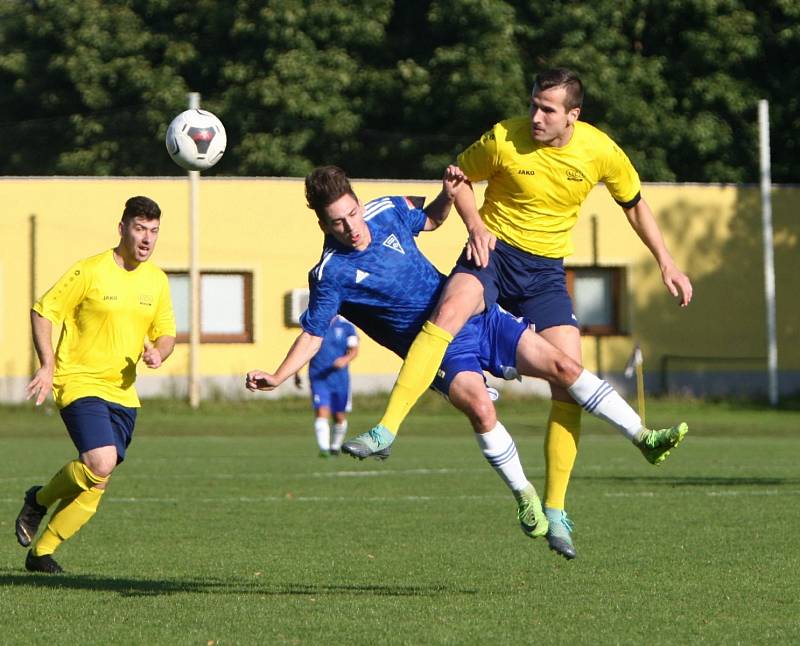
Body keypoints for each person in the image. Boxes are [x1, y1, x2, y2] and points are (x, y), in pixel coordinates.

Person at [350, 68, 694, 559]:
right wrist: (473, 225)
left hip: (545, 275)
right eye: (533, 104)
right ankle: (387, 428)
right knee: (446, 316)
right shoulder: (502, 138)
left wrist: (667, 261)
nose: (535, 115)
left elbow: (635, 205)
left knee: (567, 382)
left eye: (547, 109)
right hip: (492, 254)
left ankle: (555, 511)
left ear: (573, 116)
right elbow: (457, 177)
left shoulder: (601, 152)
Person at [246, 166, 687, 547]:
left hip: (475, 315)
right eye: (337, 223)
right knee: (479, 408)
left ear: (359, 203)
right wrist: (280, 375)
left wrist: (447, 191)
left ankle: (642, 437)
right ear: (323, 226)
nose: (351, 227)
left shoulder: (385, 210)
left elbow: (432, 220)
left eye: (352, 213)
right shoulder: (329, 274)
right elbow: (312, 333)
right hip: (435, 349)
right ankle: (524, 496)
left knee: (564, 367)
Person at [15, 196, 176, 574]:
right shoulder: (89, 270)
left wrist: (160, 354)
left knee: (97, 481)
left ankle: (41, 554)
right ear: (122, 229)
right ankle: (37, 500)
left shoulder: (157, 280)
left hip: (123, 393)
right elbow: (43, 310)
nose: (147, 239)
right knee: (100, 461)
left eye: (153, 232)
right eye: (140, 229)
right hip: (79, 381)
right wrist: (47, 364)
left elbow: (166, 332)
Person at [295, 315, 359, 457]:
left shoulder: (346, 327)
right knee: (321, 410)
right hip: (318, 376)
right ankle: (324, 449)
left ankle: (335, 447)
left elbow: (354, 350)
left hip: (340, 379)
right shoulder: (314, 324)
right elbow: (303, 349)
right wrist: (296, 371)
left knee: (339, 415)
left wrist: (345, 359)